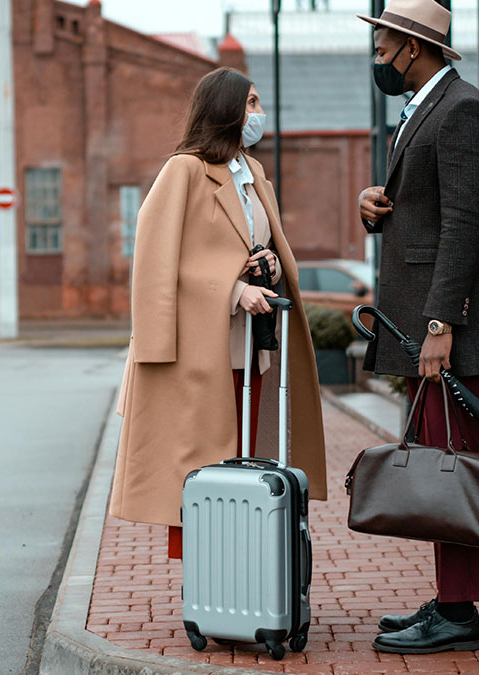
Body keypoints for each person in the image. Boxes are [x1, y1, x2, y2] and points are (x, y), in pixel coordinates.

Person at [110, 67, 327, 559]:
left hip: (250, 344)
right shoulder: (184, 169)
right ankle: (209, 585)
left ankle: (240, 572)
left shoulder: (255, 176)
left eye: (257, 103)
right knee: (201, 462)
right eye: (250, 103)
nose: (259, 113)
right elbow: (158, 261)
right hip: (198, 348)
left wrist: (267, 265)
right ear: (226, 110)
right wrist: (231, 291)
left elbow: (255, 246)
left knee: (242, 458)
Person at [355, 0, 479, 655]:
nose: (377, 56)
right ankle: (451, 598)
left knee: (451, 467)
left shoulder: (462, 112)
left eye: (383, 43)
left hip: (446, 326)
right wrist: (375, 210)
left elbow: (464, 226)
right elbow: (425, 210)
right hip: (423, 321)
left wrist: (442, 323)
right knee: (439, 460)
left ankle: (458, 614)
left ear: (413, 49)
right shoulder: (428, 107)